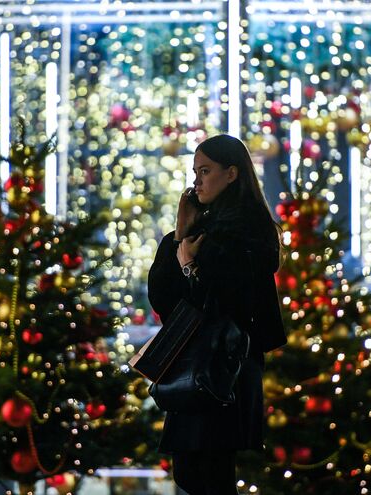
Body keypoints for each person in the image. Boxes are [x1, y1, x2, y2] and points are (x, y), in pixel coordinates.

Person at [147, 134, 287, 494]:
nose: (197, 180)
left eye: (206, 171)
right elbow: (165, 300)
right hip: (198, 365)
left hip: (223, 367)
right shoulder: (198, 231)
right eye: (195, 171)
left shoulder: (248, 230)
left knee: (211, 474)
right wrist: (182, 237)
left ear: (231, 174)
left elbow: (227, 301)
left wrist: (191, 263)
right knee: (192, 473)